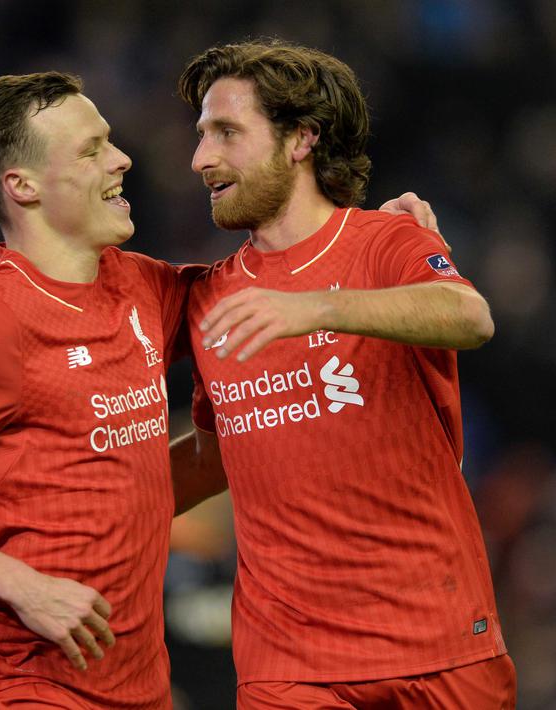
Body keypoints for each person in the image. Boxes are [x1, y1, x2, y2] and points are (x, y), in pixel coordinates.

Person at [0, 71, 437, 709]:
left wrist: (364, 238)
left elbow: (268, 285)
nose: (122, 159)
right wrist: (24, 587)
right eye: (91, 150)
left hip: (135, 687)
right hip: (20, 685)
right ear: (23, 185)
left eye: (111, 141)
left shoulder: (144, 288)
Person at [174, 40, 518, 708]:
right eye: (199, 136)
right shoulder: (208, 298)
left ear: (300, 139)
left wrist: (314, 307)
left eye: (225, 132)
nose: (200, 159)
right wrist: (94, 510)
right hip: (290, 668)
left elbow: (469, 315)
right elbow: (223, 452)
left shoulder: (385, 242)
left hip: (436, 640)